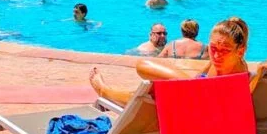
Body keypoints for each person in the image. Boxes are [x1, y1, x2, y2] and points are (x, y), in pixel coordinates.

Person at [91, 18, 250, 105]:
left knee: (150, 95)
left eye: (224, 50)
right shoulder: (218, 62)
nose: (216, 56)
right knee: (145, 69)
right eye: (213, 48)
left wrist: (190, 89)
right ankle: (105, 91)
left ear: (240, 51)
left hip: (194, 104)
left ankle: (104, 90)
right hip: (193, 90)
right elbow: (201, 74)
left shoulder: (236, 76)